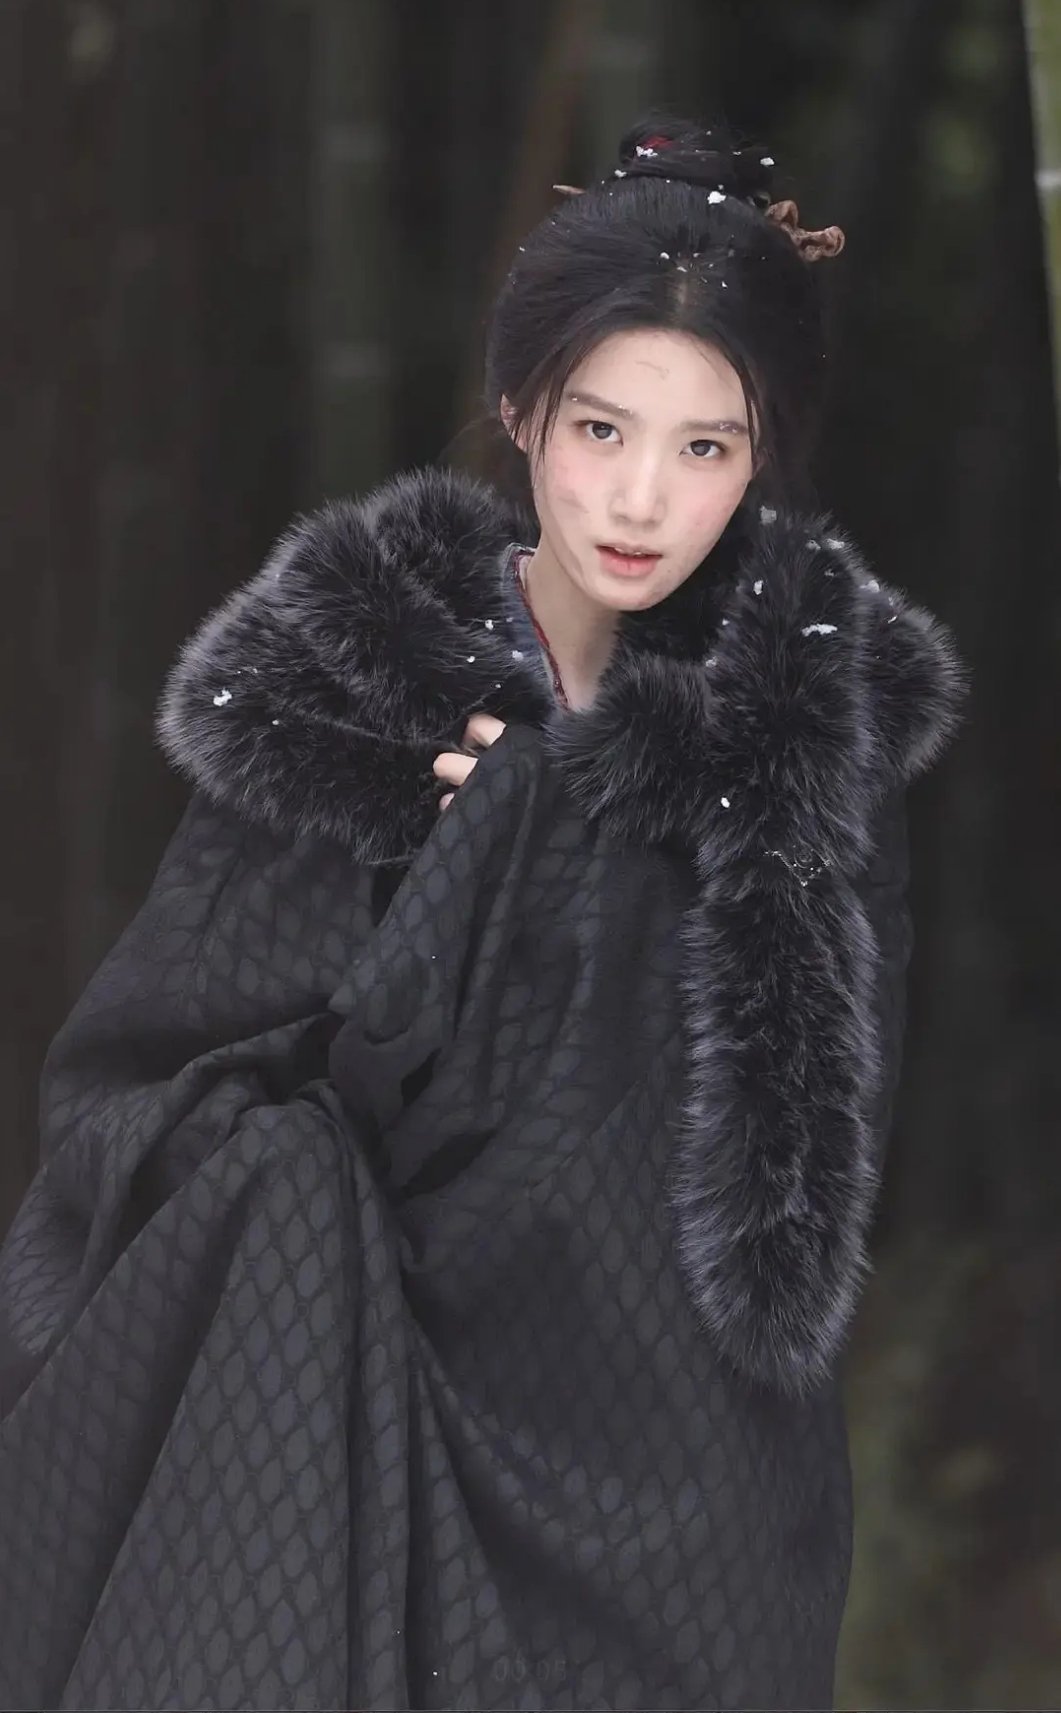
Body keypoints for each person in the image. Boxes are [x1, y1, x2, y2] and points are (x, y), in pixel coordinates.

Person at [0, 111, 968, 1712]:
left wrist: (575, 863)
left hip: (673, 1472)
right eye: (599, 426)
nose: (640, 496)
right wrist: (446, 915)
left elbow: (801, 1171)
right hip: (334, 1404)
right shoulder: (351, 680)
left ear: (763, 457)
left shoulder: (799, 730)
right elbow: (141, 1112)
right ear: (519, 410)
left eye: (706, 447)